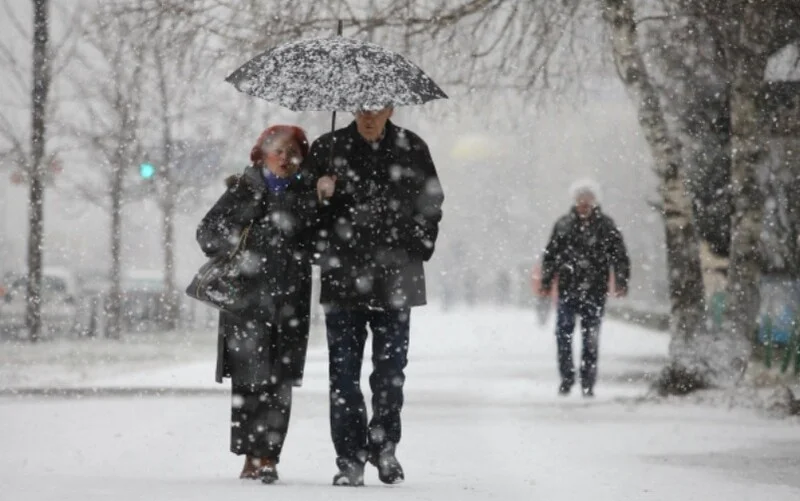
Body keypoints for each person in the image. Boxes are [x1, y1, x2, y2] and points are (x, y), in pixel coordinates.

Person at [303, 106, 444, 486]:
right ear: (352, 108)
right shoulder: (327, 149)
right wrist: (320, 196)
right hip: (343, 280)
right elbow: (304, 216)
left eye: (377, 109)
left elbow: (431, 206)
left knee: (390, 373)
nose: (368, 117)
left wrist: (414, 246)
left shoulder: (411, 147)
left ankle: (384, 449)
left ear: (390, 109)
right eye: (362, 109)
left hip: (396, 280)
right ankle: (350, 458)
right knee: (343, 376)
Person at [196, 125, 316, 484]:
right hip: (245, 299)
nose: (284, 157)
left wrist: (322, 199)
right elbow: (206, 231)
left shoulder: (307, 192)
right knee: (248, 380)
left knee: (279, 381)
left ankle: (269, 456)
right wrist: (238, 243)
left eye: (292, 150)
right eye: (277, 149)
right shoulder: (243, 188)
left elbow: (320, 241)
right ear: (261, 153)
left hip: (290, 300)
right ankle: (249, 454)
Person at [539, 179, 630, 398]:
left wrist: (621, 280)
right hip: (568, 289)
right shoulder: (563, 224)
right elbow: (551, 255)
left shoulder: (606, 225)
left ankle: (588, 381)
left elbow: (620, 256)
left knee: (591, 338)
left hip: (595, 292)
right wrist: (546, 281)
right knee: (563, 334)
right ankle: (567, 378)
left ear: (595, 200)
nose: (584, 202)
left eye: (588, 198)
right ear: (575, 200)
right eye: (581, 198)